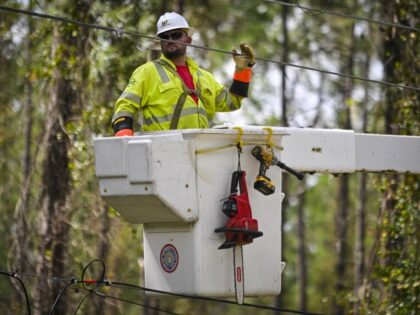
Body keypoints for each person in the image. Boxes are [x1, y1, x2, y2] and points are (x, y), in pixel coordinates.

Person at [112, 12, 255, 136]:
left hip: (200, 152)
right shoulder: (147, 72)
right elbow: (125, 106)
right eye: (164, 36)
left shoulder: (204, 77)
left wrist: (243, 70)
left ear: (188, 40)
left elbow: (232, 103)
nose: (170, 40)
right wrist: (123, 138)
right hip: (163, 153)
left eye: (176, 35)